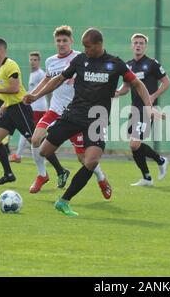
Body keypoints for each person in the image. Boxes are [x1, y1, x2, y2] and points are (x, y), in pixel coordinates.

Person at [24, 27, 153, 216]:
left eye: (88, 46)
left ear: (99, 45)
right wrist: (35, 96)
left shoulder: (115, 63)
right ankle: (54, 174)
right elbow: (58, 79)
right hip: (73, 114)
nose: (85, 50)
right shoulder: (80, 60)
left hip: (97, 119)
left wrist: (149, 107)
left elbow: (138, 84)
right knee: (43, 150)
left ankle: (64, 201)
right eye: (83, 46)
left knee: (90, 161)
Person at [26, 25, 112, 196]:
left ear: (71, 41)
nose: (61, 43)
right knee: (36, 139)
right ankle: (42, 175)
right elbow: (48, 79)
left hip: (75, 114)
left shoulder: (81, 57)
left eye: (65, 40)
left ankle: (101, 178)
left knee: (84, 159)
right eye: (58, 41)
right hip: (55, 110)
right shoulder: (51, 61)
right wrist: (34, 95)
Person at [115, 33, 170, 186]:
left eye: (141, 43)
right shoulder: (128, 65)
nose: (138, 45)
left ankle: (161, 160)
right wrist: (117, 93)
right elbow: (125, 88)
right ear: (131, 45)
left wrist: (153, 96)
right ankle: (147, 177)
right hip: (134, 109)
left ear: (145, 46)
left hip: (147, 109)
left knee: (134, 144)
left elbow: (166, 82)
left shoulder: (152, 64)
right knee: (134, 145)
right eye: (135, 43)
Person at [0, 37, 36, 185]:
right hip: (10, 108)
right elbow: (8, 92)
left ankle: (60, 170)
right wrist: (5, 104)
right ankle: (8, 174)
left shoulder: (10, 65)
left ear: (1, 50)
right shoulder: (0, 69)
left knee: (35, 141)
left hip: (20, 107)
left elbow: (14, 89)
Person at [9, 52, 48, 163]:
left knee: (27, 131)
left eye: (35, 60)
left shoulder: (41, 74)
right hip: (34, 106)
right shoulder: (33, 74)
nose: (32, 62)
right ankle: (44, 155)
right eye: (31, 59)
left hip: (38, 107)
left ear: (39, 61)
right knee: (33, 133)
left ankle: (18, 155)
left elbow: (46, 88)